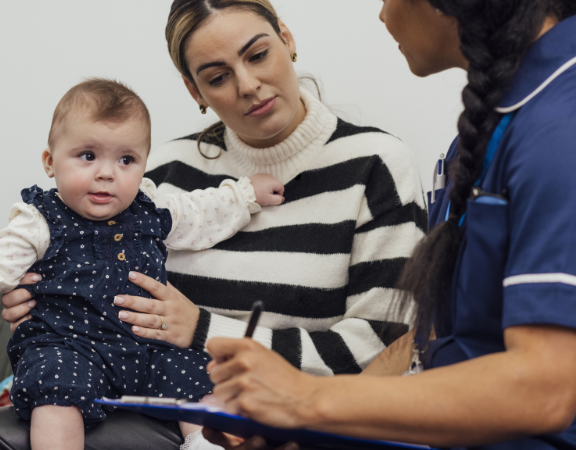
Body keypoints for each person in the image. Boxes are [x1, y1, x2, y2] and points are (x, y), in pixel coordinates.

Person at [0, 1, 427, 449]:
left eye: (257, 55)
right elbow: (89, 271)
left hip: (301, 420)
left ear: (287, 39)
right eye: (216, 76)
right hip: (160, 409)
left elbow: (385, 350)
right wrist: (36, 296)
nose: (248, 85)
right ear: (195, 91)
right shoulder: (159, 175)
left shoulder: (374, 165)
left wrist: (205, 330)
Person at [202, 0, 576, 449]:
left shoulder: (559, 127)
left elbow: (547, 391)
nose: (382, 16)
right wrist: (306, 429)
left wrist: (304, 399)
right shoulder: (490, 127)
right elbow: (434, 338)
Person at [0, 78, 286, 450]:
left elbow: (201, 212)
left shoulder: (151, 207)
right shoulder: (41, 220)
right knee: (55, 394)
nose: (106, 173)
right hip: (68, 346)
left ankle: (203, 443)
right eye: (88, 156)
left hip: (146, 345)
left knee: (197, 374)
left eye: (126, 160)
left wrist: (246, 194)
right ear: (50, 162)